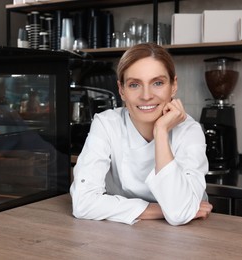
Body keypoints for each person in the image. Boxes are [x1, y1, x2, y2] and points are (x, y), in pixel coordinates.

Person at [70, 43, 213, 226]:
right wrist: (161, 209)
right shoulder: (106, 124)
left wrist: (161, 132)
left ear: (174, 86)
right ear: (122, 90)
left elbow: (178, 215)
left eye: (158, 83)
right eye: (135, 84)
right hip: (119, 236)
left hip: (183, 240)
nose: (146, 96)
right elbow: (83, 203)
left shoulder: (189, 131)